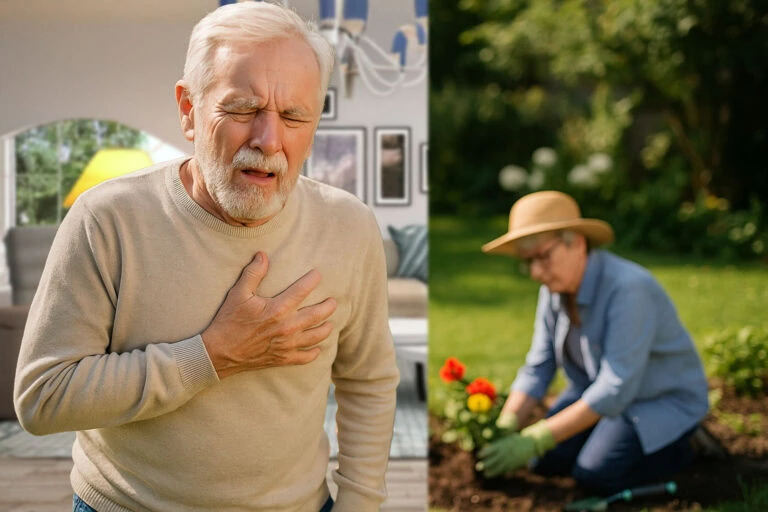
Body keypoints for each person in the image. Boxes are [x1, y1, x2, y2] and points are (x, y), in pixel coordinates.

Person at [13, 3, 399, 511]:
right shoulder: (107, 219)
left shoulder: (349, 226)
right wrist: (211, 355)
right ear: (189, 109)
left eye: (294, 115)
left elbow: (367, 380)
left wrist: (359, 505)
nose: (268, 140)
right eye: (242, 109)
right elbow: (43, 397)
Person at [477, 190, 709, 494]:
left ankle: (684, 444)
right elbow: (539, 366)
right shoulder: (553, 290)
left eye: (543, 256)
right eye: (527, 261)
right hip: (596, 394)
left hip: (655, 401)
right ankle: (602, 435)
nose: (535, 272)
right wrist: (508, 423)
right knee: (543, 463)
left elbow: (616, 385)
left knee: (594, 476)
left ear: (578, 242)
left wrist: (537, 437)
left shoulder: (629, 289)